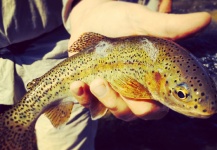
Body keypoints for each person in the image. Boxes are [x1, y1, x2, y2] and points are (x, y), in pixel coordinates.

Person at [0, 0, 211, 149]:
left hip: (61, 40)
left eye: (181, 94)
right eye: (182, 95)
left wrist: (85, 4)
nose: (198, 106)